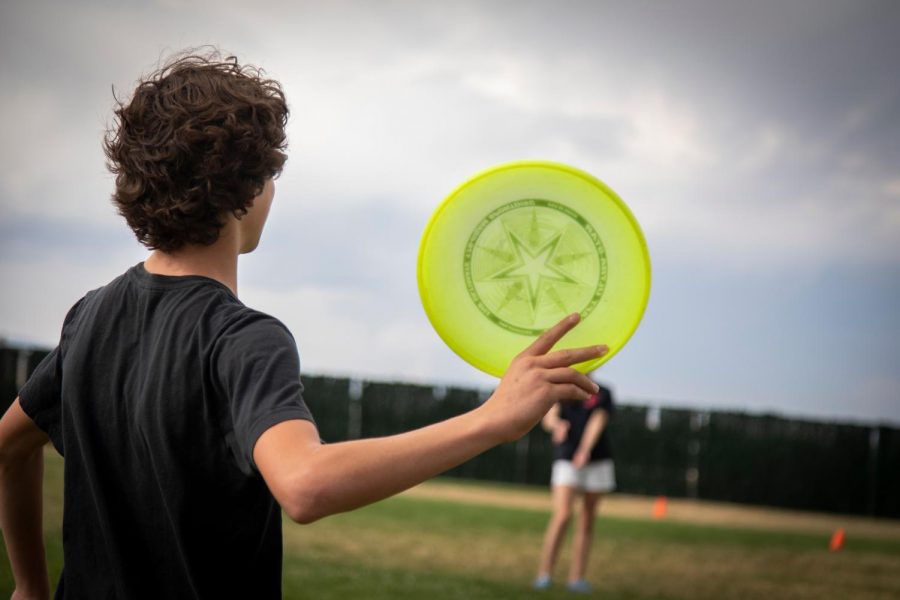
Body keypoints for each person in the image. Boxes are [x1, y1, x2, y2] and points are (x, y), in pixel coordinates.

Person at [0, 50, 608, 599]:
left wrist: (28, 585)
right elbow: (306, 485)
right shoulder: (243, 339)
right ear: (249, 189)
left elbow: (9, 445)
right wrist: (492, 420)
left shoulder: (89, 315)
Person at [534, 379, 616, 593]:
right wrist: (556, 425)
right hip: (566, 458)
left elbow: (597, 421)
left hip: (596, 460)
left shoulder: (602, 392)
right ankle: (544, 574)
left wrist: (585, 449)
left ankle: (576, 579)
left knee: (587, 519)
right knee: (562, 515)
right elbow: (549, 416)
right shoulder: (560, 387)